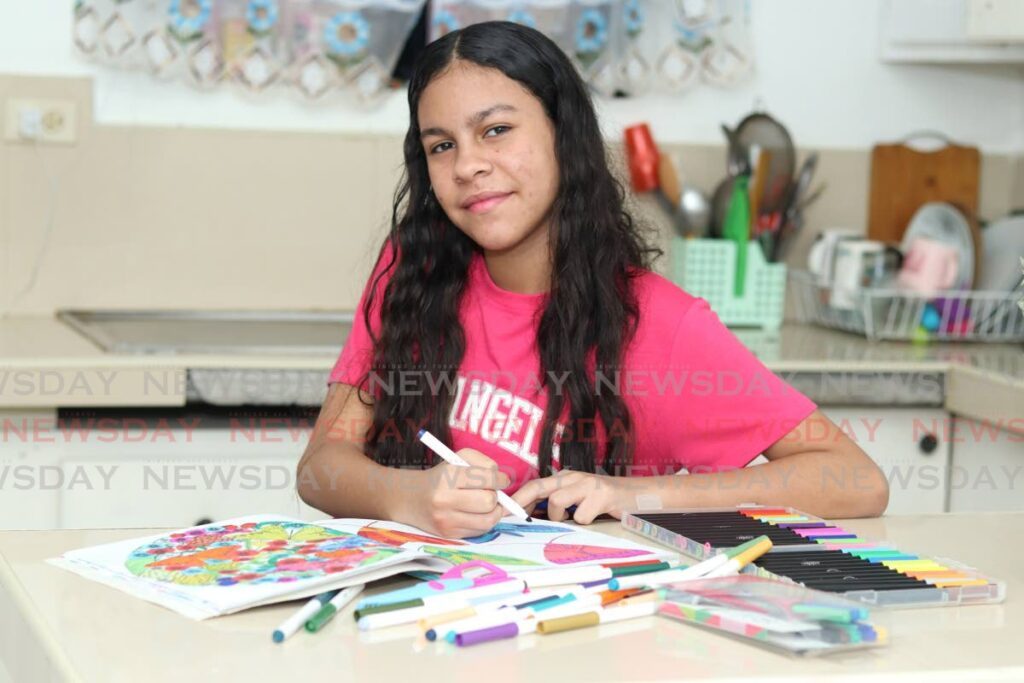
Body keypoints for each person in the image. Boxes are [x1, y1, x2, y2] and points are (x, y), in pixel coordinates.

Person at [297, 21, 889, 538]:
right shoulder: (412, 271)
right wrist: (410, 498)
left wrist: (638, 496)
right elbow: (321, 469)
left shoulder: (661, 324)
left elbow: (856, 480)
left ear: (564, 135)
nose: (468, 165)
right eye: (441, 145)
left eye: (496, 130)